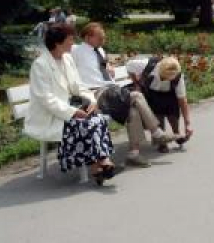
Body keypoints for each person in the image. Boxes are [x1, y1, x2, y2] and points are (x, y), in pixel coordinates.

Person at [72, 22, 179, 167]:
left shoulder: (100, 50)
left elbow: (102, 66)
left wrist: (108, 65)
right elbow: (58, 53)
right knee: (136, 95)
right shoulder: (76, 50)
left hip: (111, 89)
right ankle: (157, 133)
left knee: (132, 109)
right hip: (95, 92)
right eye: (100, 38)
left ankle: (133, 154)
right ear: (87, 37)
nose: (103, 40)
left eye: (104, 37)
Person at [24, 23, 115, 185]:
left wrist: (92, 100)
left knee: (97, 117)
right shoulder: (40, 65)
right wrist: (72, 112)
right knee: (84, 124)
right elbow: (46, 99)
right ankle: (97, 166)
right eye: (70, 39)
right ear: (58, 42)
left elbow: (77, 85)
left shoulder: (67, 59)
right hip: (50, 116)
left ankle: (103, 163)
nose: (73, 42)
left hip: (67, 110)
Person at [126, 56, 194, 152]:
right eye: (166, 77)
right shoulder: (146, 65)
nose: (169, 80)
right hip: (151, 93)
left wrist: (188, 124)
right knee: (158, 116)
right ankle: (162, 142)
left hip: (169, 94)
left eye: (172, 78)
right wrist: (136, 82)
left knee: (173, 114)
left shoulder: (178, 77)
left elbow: (182, 101)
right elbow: (128, 66)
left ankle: (177, 134)